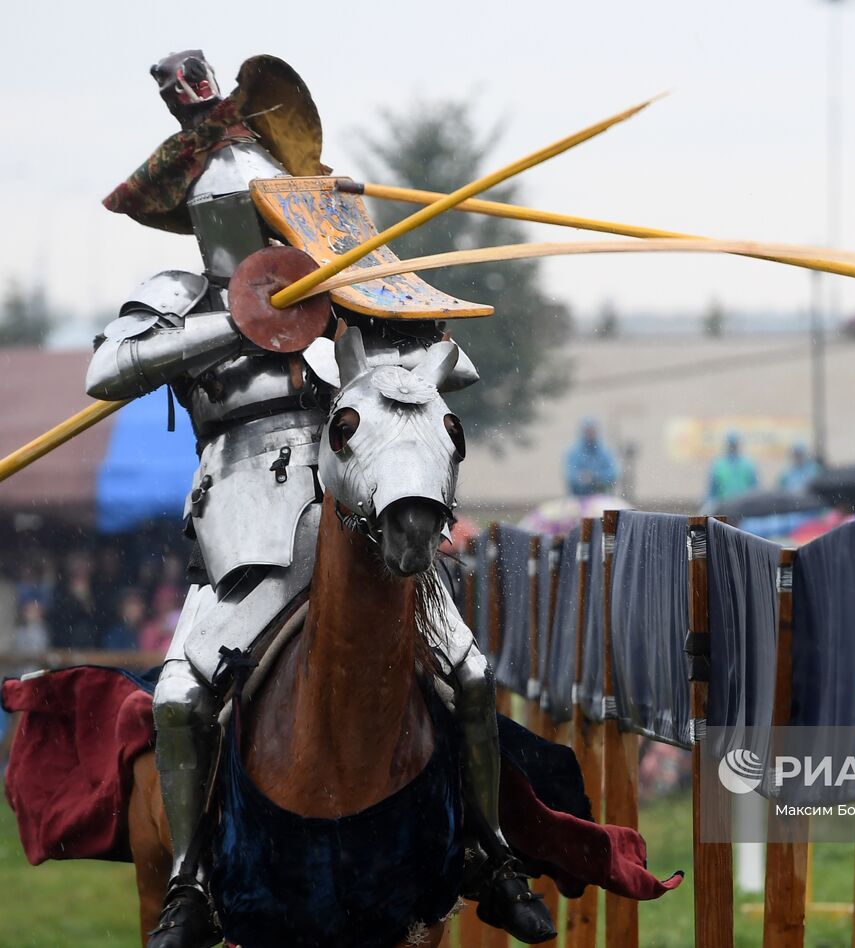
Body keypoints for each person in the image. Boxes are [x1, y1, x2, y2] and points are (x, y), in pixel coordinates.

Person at [91, 51, 549, 946]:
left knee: (469, 674)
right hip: (243, 537)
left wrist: (362, 251)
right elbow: (107, 372)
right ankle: (189, 884)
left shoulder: (342, 285)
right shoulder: (177, 296)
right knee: (181, 698)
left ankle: (489, 853)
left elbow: (450, 365)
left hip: (364, 516)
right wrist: (243, 316)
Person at [563, 417, 619, 497]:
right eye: (588, 431)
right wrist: (581, 478)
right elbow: (570, 474)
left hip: (602, 497)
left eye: (593, 431)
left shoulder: (605, 452)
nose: (590, 434)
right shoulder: (574, 452)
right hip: (578, 498)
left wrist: (594, 477)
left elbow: (613, 474)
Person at [707, 431, 758, 502]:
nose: (732, 447)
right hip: (724, 506)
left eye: (734, 444)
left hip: (744, 507)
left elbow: (755, 489)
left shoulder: (748, 465)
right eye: (731, 444)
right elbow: (712, 492)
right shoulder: (718, 465)